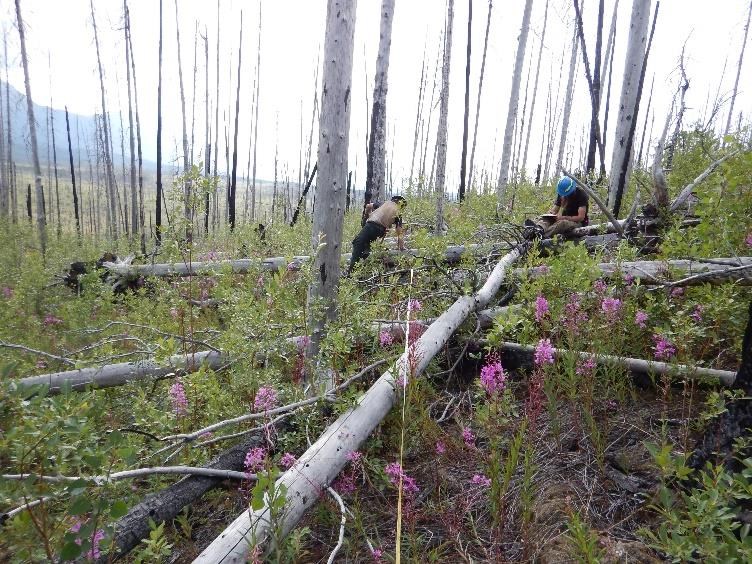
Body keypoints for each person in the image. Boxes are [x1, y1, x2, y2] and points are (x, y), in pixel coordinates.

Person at [347, 195, 407, 275]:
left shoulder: (383, 204)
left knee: (358, 243)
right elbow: (399, 232)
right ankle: (359, 269)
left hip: (370, 225)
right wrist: (401, 247)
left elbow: (368, 206)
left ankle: (351, 273)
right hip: (380, 230)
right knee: (366, 248)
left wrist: (366, 216)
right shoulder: (398, 212)